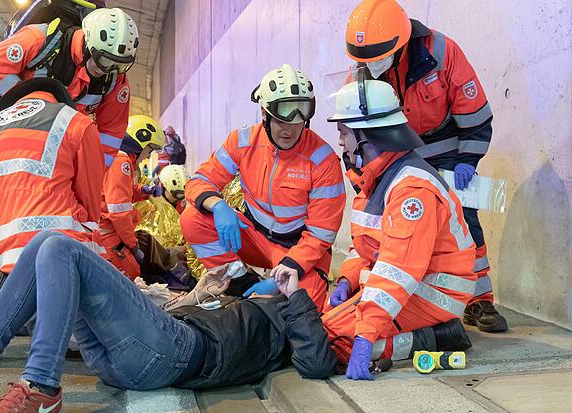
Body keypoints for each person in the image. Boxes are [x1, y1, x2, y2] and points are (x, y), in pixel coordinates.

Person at [0, 231, 337, 413]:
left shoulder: (288, 317)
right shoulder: (243, 308)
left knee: (61, 247)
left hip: (175, 353)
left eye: (278, 284)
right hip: (137, 354)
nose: (269, 283)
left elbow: (317, 363)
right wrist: (203, 292)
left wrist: (294, 295)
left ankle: (41, 391)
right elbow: (184, 315)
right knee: (44, 246)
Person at [343, 0, 505, 332]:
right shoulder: (362, 68)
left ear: (401, 43)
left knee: (464, 222)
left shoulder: (442, 52)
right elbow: (353, 128)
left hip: (445, 152)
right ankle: (403, 296)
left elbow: (475, 114)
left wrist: (468, 160)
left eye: (377, 57)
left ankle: (479, 301)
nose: (371, 66)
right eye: (365, 60)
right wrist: (362, 173)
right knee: (393, 228)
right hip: (395, 156)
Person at [321, 76, 478, 380]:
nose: (341, 142)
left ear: (366, 135)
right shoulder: (375, 178)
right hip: (413, 284)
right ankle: (427, 335)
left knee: (336, 339)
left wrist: (366, 336)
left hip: (434, 291)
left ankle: (437, 337)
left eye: (344, 132)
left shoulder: (411, 190)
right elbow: (363, 246)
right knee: (327, 319)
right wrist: (346, 280)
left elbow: (398, 269)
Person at [0, 77, 105, 323]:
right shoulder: (78, 124)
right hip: (68, 268)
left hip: (8, 268)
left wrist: (1, 272)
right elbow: (91, 210)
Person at [180, 64, 346, 308]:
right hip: (252, 236)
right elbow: (199, 181)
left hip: (297, 247)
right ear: (264, 114)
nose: (289, 130)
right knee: (192, 219)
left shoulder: (323, 160)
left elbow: (321, 234)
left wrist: (289, 269)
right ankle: (238, 282)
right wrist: (217, 206)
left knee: (305, 309)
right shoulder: (242, 141)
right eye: (281, 120)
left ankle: (273, 287)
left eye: (298, 121)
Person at [0, 4, 138, 169]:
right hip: (6, 132)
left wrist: (94, 171)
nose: (109, 70)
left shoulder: (114, 78)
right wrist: (29, 103)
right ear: (88, 43)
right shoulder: (38, 39)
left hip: (55, 147)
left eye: (120, 65)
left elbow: (111, 131)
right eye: (105, 61)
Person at [96, 115, 166, 279]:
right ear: (140, 142)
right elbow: (119, 212)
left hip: (105, 231)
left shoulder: (115, 157)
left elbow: (119, 192)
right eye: (150, 149)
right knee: (131, 273)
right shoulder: (121, 161)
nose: (148, 156)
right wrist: (133, 246)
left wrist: (144, 191)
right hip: (107, 235)